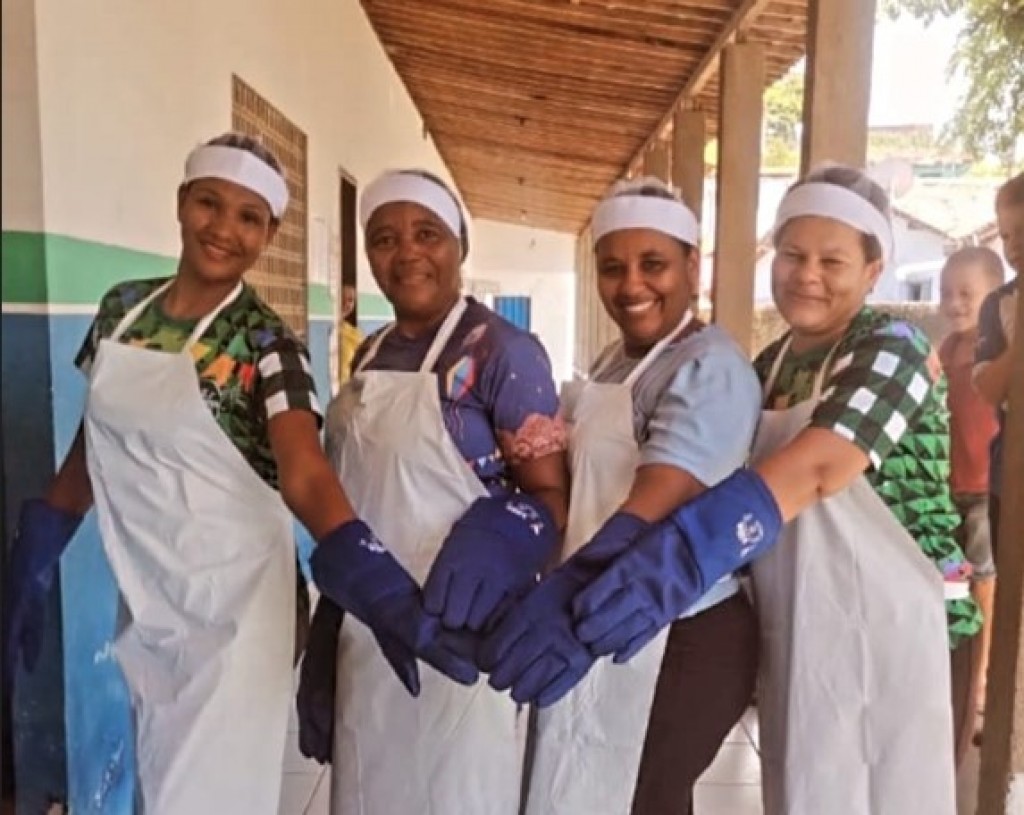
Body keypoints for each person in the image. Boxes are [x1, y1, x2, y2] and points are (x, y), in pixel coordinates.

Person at [3, 134, 475, 813]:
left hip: (236, 609)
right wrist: (40, 541)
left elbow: (305, 472)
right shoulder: (119, 312)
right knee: (161, 782)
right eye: (209, 203)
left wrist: (377, 583)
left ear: (269, 233)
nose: (223, 228)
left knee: (202, 795)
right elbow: (95, 442)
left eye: (248, 216)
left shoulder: (267, 345)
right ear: (181, 203)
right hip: (152, 589)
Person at [504, 165, 980, 815]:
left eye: (832, 260)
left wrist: (674, 561)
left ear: (874, 270)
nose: (807, 274)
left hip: (906, 627)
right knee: (807, 794)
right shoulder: (771, 363)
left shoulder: (894, 348)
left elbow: (817, 470)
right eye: (792, 255)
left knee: (890, 796)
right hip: (810, 620)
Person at [480, 178, 760, 815]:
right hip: (604, 608)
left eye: (653, 264)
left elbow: (657, 500)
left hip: (680, 629)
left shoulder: (709, 366)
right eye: (613, 268)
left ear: (692, 265)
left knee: (641, 798)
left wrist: (568, 591)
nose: (631, 285)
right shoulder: (616, 360)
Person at [297, 168, 569, 815]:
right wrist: (331, 619)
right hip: (370, 621)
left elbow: (551, 496)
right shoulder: (368, 355)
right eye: (384, 238)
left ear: (459, 245)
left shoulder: (504, 353)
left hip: (462, 624)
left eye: (427, 233)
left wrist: (503, 540)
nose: (406, 252)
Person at [938, 246, 1003, 745]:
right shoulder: (946, 350)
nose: (954, 303)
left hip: (984, 488)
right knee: (950, 576)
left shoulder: (996, 350)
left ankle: (980, 678)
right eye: (946, 293)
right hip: (949, 485)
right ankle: (953, 669)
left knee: (983, 578)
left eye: (966, 293)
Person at [974, 172, 1023, 562]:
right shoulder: (999, 305)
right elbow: (988, 389)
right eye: (1006, 236)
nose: (1014, 245)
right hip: (1013, 473)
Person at [337, 282, 364, 386]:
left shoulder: (355, 334)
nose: (346, 303)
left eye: (350, 300)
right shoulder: (328, 331)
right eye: (341, 298)